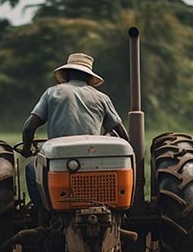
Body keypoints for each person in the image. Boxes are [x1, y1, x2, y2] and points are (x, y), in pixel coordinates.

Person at [21, 52, 129, 207]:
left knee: (32, 168)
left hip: (59, 158)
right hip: (96, 159)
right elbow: (123, 134)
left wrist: (26, 149)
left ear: (67, 73)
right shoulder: (101, 97)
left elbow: (28, 127)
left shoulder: (53, 93)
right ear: (89, 77)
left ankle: (44, 212)